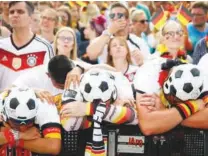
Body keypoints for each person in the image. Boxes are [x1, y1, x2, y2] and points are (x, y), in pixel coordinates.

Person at [0, 1, 54, 91]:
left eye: (20, 12)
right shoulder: (1, 46)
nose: (15, 15)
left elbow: (49, 83)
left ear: (31, 17)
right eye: (11, 12)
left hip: (34, 103)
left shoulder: (44, 47)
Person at [0, 87, 61, 155]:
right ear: (5, 116)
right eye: (16, 123)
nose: (23, 128)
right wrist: (19, 135)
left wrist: (7, 136)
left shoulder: (44, 104)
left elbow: (54, 147)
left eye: (28, 122)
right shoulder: (1, 106)